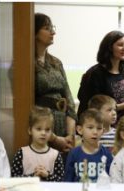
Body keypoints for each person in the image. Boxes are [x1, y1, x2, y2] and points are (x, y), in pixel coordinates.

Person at [33, 13, 76, 153]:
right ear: (34, 32)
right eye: (47, 28)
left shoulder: (56, 62)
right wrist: (54, 139)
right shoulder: (26, 63)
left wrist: (70, 135)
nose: (53, 32)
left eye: (52, 28)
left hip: (63, 127)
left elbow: (69, 99)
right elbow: (26, 106)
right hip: (40, 128)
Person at [77, 31, 124, 120]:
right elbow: (90, 106)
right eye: (120, 45)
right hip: (100, 125)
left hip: (123, 125)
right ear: (109, 47)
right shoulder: (95, 73)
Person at [11, 107, 65, 181]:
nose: (43, 133)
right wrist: (33, 176)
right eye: (39, 129)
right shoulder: (21, 153)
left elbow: (61, 180)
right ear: (30, 130)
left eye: (47, 129)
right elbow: (14, 178)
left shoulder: (55, 155)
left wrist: (47, 175)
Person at [63, 108, 113, 182]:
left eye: (99, 128)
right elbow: (67, 181)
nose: (95, 132)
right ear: (80, 130)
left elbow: (111, 180)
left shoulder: (107, 154)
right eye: (90, 127)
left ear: (103, 131)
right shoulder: (73, 154)